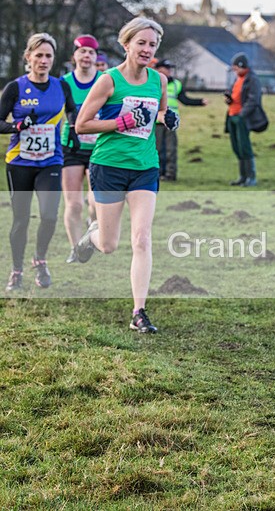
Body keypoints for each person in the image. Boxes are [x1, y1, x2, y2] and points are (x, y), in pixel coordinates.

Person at [73, 17, 179, 333]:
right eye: (141, 43)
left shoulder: (158, 81)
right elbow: (82, 124)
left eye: (152, 44)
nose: (147, 49)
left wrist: (167, 117)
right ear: (126, 44)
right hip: (108, 166)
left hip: (145, 167)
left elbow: (156, 114)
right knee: (108, 244)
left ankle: (138, 312)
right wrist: (122, 123)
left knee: (142, 238)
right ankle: (89, 236)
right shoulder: (108, 81)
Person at [1, 33, 78, 291]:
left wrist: (75, 129)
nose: (44, 61)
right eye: (39, 55)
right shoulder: (15, 87)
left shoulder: (61, 86)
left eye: (48, 56)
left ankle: (40, 259)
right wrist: (16, 125)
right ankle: (17, 271)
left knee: (48, 216)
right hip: (20, 162)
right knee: (21, 220)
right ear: (28, 57)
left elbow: (71, 110)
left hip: (50, 161)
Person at [62, 34, 102, 264]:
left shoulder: (104, 81)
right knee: (74, 203)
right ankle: (75, 249)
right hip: (70, 147)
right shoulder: (64, 83)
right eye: (82, 51)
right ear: (74, 56)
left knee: (95, 203)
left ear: (96, 58)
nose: (86, 55)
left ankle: (91, 228)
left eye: (91, 52)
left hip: (98, 148)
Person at [154, 58, 208, 181]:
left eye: (170, 69)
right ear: (158, 69)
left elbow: (185, 100)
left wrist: (200, 102)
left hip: (170, 123)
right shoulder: (152, 82)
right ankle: (157, 173)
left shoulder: (176, 84)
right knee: (156, 149)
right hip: (156, 122)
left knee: (170, 149)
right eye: (166, 68)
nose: (169, 71)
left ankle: (170, 174)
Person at [224, 52, 267, 187]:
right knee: (237, 147)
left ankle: (251, 177)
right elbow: (234, 94)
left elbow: (253, 99)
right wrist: (229, 98)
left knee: (245, 147)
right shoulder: (237, 79)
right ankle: (242, 177)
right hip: (232, 116)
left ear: (243, 66)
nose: (235, 70)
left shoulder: (253, 79)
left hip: (242, 118)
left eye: (236, 68)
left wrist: (242, 114)